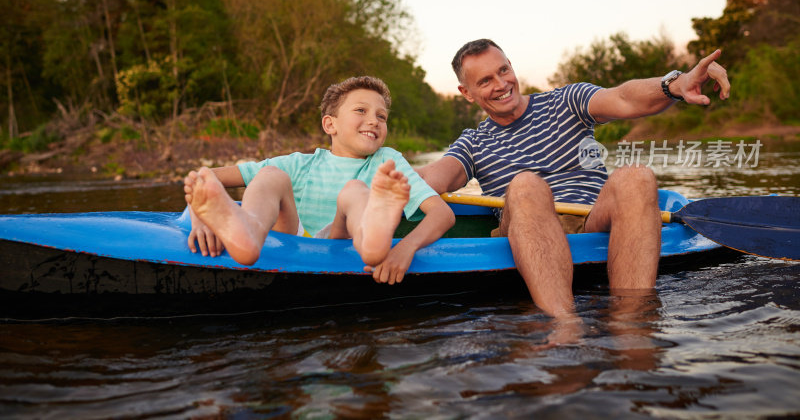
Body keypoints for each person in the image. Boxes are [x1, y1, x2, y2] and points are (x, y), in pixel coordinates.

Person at [417, 39, 730, 317]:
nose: (501, 84)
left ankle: (632, 323)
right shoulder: (474, 142)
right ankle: (563, 328)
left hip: (591, 219)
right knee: (526, 184)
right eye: (485, 80)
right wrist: (381, 174)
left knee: (637, 177)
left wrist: (674, 84)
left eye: (503, 70)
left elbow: (624, 98)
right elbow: (435, 176)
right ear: (466, 93)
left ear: (511, 67)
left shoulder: (566, 101)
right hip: (526, 227)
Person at [184, 76, 455, 282]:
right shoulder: (301, 163)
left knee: (355, 190)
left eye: (381, 116)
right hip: (296, 234)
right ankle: (247, 234)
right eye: (361, 111)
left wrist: (406, 248)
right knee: (270, 176)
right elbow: (203, 180)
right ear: (330, 125)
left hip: (345, 237)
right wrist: (200, 218)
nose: (374, 120)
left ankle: (373, 239)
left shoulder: (386, 162)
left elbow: (442, 214)